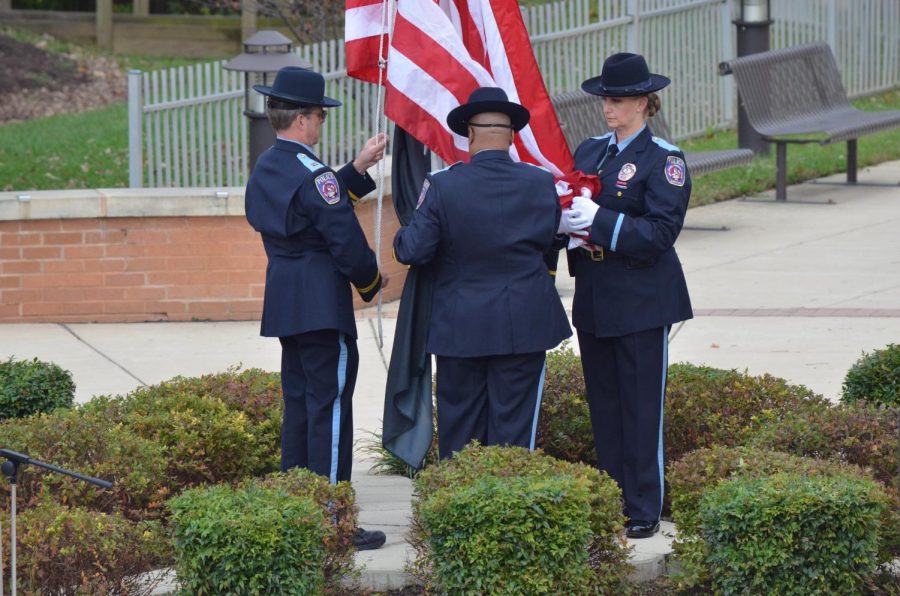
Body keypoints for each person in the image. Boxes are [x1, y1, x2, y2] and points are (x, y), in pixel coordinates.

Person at [244, 66, 388, 550]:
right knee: (329, 410)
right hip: (323, 304)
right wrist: (371, 280)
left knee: (302, 406)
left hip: (285, 298)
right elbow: (340, 234)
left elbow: (308, 205)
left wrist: (358, 167)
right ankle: (331, 521)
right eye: (319, 117)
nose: (320, 124)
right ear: (304, 120)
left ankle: (295, 510)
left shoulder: (267, 165)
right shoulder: (315, 174)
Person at [393, 87, 572, 460]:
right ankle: (510, 511)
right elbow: (550, 241)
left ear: (469, 135)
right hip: (524, 323)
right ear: (511, 137)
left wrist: (400, 235)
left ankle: (461, 512)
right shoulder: (540, 183)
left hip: (461, 327)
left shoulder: (443, 186)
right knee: (516, 436)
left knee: (461, 434)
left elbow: (413, 249)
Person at [566, 53, 693, 539]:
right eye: (604, 99)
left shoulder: (665, 159)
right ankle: (613, 498)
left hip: (641, 296)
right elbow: (573, 205)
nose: (607, 108)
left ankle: (644, 506)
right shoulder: (591, 151)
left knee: (640, 407)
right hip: (595, 292)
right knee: (604, 404)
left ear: (643, 102)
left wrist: (595, 221)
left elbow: (660, 233)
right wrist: (566, 225)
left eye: (617, 100)